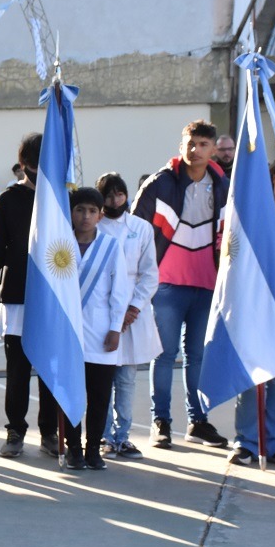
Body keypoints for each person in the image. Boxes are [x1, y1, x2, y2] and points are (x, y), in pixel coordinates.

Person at [132, 120, 230, 449]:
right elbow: (135, 231)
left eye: (203, 144)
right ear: (181, 145)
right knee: (163, 355)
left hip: (207, 285)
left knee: (198, 355)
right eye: (190, 143)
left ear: (213, 149)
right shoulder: (160, 183)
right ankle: (161, 421)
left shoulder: (223, 184)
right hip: (167, 284)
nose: (195, 150)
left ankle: (197, 422)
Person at [0, 132, 61, 458]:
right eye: (38, 162)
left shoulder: (61, 197)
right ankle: (15, 430)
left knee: (50, 368)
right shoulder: (6, 200)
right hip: (17, 296)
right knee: (17, 369)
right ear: (25, 164)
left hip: (52, 299)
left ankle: (50, 431)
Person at [96, 173, 162, 460]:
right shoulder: (94, 226)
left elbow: (150, 273)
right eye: (108, 195)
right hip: (100, 309)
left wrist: (133, 308)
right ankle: (104, 435)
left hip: (133, 313)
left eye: (119, 194)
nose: (114, 200)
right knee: (102, 377)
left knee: (126, 378)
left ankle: (123, 436)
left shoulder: (141, 227)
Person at [64, 188, 131, 470]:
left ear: (100, 214)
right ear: (71, 212)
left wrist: (116, 327)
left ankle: (93, 448)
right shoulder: (60, 243)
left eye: (92, 211)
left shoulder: (111, 245)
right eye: (80, 210)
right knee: (70, 393)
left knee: (100, 394)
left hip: (101, 330)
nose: (86, 216)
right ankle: (73, 449)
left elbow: (120, 291)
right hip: (67, 331)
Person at [229, 155, 275, 466]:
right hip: (254, 304)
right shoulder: (256, 213)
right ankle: (246, 441)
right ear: (272, 180)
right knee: (252, 376)